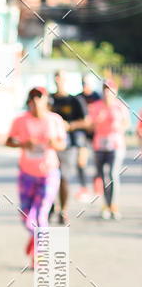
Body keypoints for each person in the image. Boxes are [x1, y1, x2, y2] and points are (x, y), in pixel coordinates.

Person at [6, 86, 67, 265]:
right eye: (32, 99)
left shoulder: (55, 120)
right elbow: (9, 141)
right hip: (26, 174)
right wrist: (24, 144)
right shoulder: (20, 121)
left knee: (40, 215)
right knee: (26, 218)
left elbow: (63, 144)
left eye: (39, 98)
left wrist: (53, 143)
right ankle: (36, 240)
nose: (35, 102)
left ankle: (39, 255)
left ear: (46, 101)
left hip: (48, 174)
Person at [88, 79, 130, 220]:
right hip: (99, 145)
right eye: (104, 89)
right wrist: (97, 121)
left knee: (112, 174)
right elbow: (90, 126)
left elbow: (126, 123)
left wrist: (119, 127)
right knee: (102, 177)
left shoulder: (120, 106)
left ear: (114, 91)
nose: (107, 92)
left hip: (116, 145)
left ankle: (114, 205)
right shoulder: (95, 106)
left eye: (109, 89)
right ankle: (105, 205)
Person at [50, 70, 89, 224]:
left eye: (61, 77)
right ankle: (51, 205)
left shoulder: (75, 100)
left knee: (64, 178)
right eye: (56, 76)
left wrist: (69, 125)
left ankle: (63, 210)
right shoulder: (49, 100)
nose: (59, 79)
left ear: (66, 80)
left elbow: (86, 122)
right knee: (49, 177)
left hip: (69, 145)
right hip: (50, 145)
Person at [74, 73, 101, 202]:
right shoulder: (78, 98)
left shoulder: (97, 97)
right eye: (83, 83)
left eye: (87, 83)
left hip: (96, 132)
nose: (85, 86)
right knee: (81, 160)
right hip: (83, 133)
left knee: (98, 160)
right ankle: (84, 187)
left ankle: (97, 181)